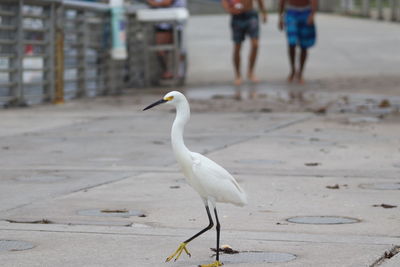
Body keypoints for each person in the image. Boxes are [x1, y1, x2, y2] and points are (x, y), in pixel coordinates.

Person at [222, 0, 267, 86]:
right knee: (237, 46)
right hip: (237, 16)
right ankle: (238, 75)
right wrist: (229, 9)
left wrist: (264, 12)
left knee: (255, 44)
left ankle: (250, 72)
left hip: (250, 14)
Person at [278, 0, 317, 84]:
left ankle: (300, 73)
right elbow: (282, 1)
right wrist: (280, 18)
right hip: (291, 13)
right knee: (291, 42)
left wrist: (312, 14)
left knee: (304, 45)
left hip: (306, 12)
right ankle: (293, 70)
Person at [146, 0, 187, 80]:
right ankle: (169, 71)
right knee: (162, 50)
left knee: (174, 50)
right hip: (162, 22)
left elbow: (167, 2)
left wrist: (153, 3)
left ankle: (175, 72)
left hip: (173, 22)